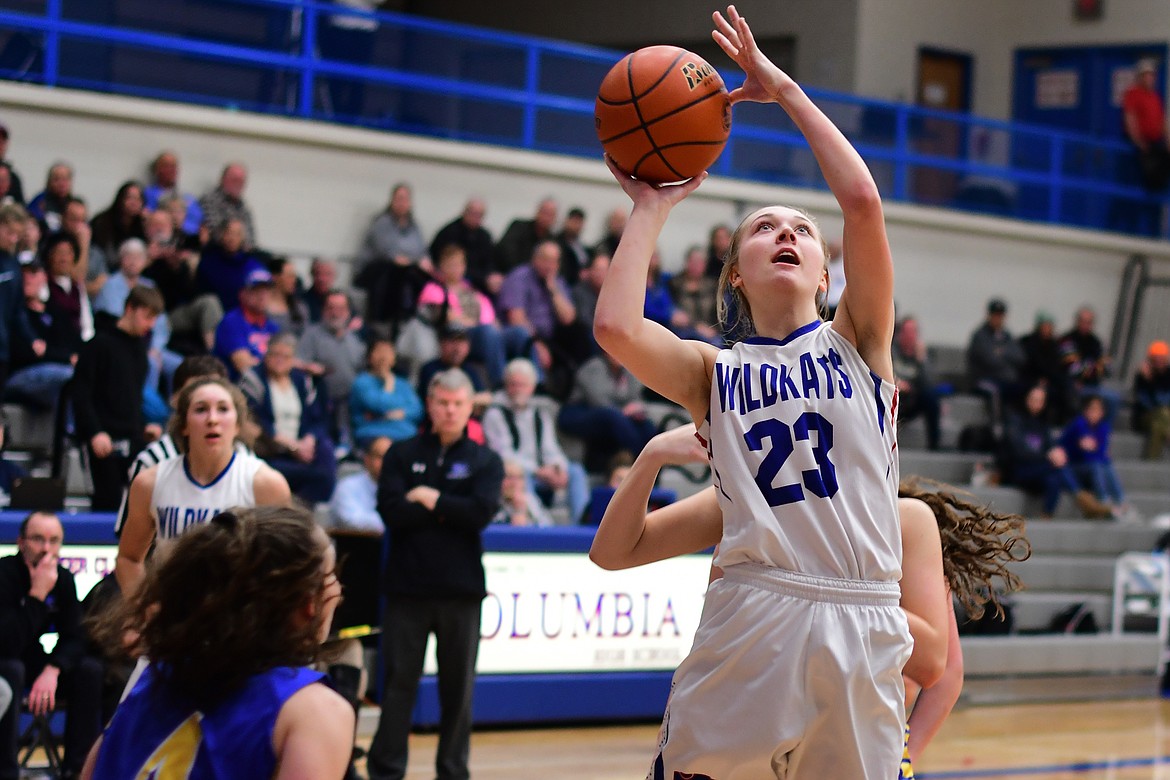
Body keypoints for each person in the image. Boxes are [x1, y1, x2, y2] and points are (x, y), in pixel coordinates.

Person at [592, 8, 909, 777]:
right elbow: (615, 327)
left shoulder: (858, 340)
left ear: (826, 270)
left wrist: (786, 90)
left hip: (865, 616)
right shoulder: (715, 372)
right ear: (736, 271)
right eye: (766, 228)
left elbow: (862, 203)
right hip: (758, 612)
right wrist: (650, 207)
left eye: (802, 229)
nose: (789, 236)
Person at [588, 423, 1030, 775]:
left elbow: (941, 669)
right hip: (737, 714)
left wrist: (904, 750)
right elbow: (612, 553)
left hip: (851, 732)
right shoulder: (748, 497)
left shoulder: (902, 520)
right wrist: (654, 454)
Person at [81, 505, 352, 780]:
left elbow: (91, 771)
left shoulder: (152, 680)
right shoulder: (313, 712)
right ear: (307, 602)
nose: (338, 590)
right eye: (331, 576)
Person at [367, 368, 503, 780]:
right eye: (442, 402)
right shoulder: (401, 453)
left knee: (457, 692)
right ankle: (386, 770)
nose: (449, 410)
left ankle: (452, 771)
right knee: (397, 687)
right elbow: (391, 511)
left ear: (469, 408)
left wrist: (430, 498)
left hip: (461, 593)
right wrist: (448, 508)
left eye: (457, 403)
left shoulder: (486, 461)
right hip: (406, 591)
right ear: (430, 405)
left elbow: (479, 514)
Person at [117, 376, 291, 597]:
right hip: (172, 616)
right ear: (183, 426)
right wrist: (143, 610)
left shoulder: (266, 484)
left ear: (238, 424)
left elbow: (285, 567)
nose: (212, 419)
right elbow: (128, 558)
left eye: (223, 409)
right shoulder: (150, 483)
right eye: (201, 410)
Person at [0, 511, 104, 780]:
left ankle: (76, 769)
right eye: (38, 539)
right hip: (6, 663)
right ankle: (6, 770)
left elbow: (77, 636)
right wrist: (37, 595)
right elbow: (6, 643)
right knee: (11, 669)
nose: (47, 548)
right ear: (21, 542)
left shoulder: (65, 579)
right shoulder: (5, 574)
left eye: (54, 541)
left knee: (89, 670)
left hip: (37, 664)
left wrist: (54, 669)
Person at [113, 355, 238, 537]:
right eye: (197, 397)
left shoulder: (251, 466)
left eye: (219, 403)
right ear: (176, 400)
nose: (211, 415)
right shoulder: (151, 461)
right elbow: (128, 542)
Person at [71, 285, 165, 511]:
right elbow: (81, 394)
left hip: (132, 439)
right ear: (130, 308)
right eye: (147, 316)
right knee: (107, 503)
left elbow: (132, 398)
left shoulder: (140, 352)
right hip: (102, 441)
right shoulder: (98, 345)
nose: (150, 325)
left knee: (143, 504)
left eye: (154, 319)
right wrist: (94, 432)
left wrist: (143, 426)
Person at [483, 357, 590, 524]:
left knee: (575, 471)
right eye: (513, 384)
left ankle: (581, 526)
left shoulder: (539, 413)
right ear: (506, 385)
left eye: (522, 385)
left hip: (542, 471)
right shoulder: (495, 414)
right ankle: (537, 526)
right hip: (519, 472)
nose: (517, 389)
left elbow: (550, 448)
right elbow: (503, 454)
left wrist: (557, 467)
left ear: (532, 387)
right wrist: (537, 471)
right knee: (519, 475)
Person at [240, 333, 337, 505]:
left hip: (301, 451)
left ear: (293, 359)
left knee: (326, 456)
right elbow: (255, 423)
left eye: (286, 356)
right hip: (271, 452)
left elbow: (317, 419)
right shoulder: (253, 380)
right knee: (318, 477)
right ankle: (292, 509)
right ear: (266, 355)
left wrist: (309, 440)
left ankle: (294, 508)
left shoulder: (302, 381)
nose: (279, 360)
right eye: (274, 355)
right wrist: (292, 446)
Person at [418, 243, 533, 387]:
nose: (456, 269)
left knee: (520, 333)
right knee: (488, 332)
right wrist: (482, 325)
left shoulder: (472, 290)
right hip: (460, 336)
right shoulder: (434, 289)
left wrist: (490, 325)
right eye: (451, 265)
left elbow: (491, 318)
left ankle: (537, 381)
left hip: (486, 332)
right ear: (442, 267)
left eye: (459, 264)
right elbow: (449, 318)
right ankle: (501, 383)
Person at [999, 384, 1109, 519]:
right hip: (1019, 468)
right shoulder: (1014, 419)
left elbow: (1050, 445)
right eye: (1034, 399)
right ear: (1026, 398)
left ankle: (1047, 515)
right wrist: (1048, 456)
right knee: (1056, 467)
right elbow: (1017, 451)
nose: (1037, 404)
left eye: (1040, 401)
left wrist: (1055, 453)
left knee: (1054, 479)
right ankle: (1083, 499)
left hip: (1040, 469)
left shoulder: (1042, 423)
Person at [557, 350, 658, 473]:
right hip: (579, 411)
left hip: (616, 413)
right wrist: (624, 411)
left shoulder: (629, 370)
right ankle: (640, 458)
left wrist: (637, 409)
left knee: (645, 425)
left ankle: (653, 466)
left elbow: (636, 397)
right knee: (612, 416)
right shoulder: (594, 367)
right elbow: (597, 399)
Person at [356, 183, 433, 325]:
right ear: (391, 200)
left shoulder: (414, 226)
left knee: (422, 276)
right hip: (376, 272)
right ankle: (384, 321)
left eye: (405, 199)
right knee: (397, 273)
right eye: (399, 199)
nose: (402, 203)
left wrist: (420, 261)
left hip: (406, 270)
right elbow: (389, 253)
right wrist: (414, 260)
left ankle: (415, 320)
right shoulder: (382, 223)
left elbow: (421, 251)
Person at [297, 289, 366, 449]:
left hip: (349, 404)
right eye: (330, 308)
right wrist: (310, 367)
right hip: (320, 404)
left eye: (340, 309)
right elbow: (295, 362)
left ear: (348, 312)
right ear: (323, 310)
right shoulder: (311, 335)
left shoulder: (354, 339)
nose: (335, 313)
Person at [1060, 393, 1130, 519]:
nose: (1095, 413)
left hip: (1090, 465)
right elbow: (1082, 454)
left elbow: (1102, 454)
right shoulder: (1078, 424)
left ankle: (1121, 501)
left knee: (1106, 466)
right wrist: (1092, 450)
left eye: (1098, 410)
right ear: (1085, 410)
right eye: (1092, 409)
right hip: (1074, 466)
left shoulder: (1103, 427)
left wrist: (1094, 449)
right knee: (1097, 465)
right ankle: (1103, 501)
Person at [350, 332, 424, 448]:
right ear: (369, 357)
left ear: (394, 358)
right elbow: (380, 406)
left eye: (388, 352)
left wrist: (402, 413)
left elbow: (417, 410)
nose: (384, 357)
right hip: (373, 432)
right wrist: (388, 383)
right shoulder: (362, 382)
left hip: (404, 433)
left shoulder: (403, 383)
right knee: (385, 448)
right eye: (379, 351)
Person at [0, 203, 44, 394]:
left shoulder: (12, 265)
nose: (13, 239)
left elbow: (18, 310)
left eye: (17, 234)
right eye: (9, 232)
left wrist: (32, 338)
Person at [967, 298, 1026, 428]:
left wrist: (1002, 352)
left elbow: (1020, 357)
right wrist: (1006, 356)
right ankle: (996, 427)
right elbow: (990, 360)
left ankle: (1021, 427)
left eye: (1001, 316)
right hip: (983, 379)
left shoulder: (1007, 335)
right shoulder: (980, 335)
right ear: (989, 315)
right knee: (994, 391)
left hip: (1005, 380)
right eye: (995, 315)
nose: (998, 319)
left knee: (1026, 389)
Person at [212, 267, 280, 380]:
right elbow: (243, 365)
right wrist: (275, 365)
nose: (263, 296)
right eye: (256, 290)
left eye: (266, 290)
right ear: (243, 294)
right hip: (236, 386)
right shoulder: (232, 322)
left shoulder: (272, 326)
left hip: (264, 385)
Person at [429, 198, 496, 297]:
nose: (475, 217)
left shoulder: (485, 236)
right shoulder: (449, 232)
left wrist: (491, 277)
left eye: (479, 215)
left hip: (479, 282)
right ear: (464, 212)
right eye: (472, 213)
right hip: (451, 280)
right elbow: (438, 260)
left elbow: (490, 262)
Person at [893, 315, 941, 450]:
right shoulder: (892, 351)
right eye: (907, 332)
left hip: (913, 397)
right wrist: (897, 381)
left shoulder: (921, 354)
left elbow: (929, 383)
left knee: (931, 397)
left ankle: (934, 446)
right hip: (896, 395)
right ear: (900, 334)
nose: (910, 336)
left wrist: (922, 360)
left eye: (913, 332)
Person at [1123, 58, 1170, 191]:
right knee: (1147, 175)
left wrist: (1168, 142)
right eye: (1147, 75)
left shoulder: (1156, 97)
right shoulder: (1133, 94)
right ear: (1140, 77)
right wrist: (1138, 141)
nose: (1150, 78)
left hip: (1156, 143)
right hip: (1142, 145)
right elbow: (1130, 118)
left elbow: (1163, 121)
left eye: (1152, 75)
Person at [142, 150, 204, 235]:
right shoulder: (148, 194)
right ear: (157, 170)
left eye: (174, 166)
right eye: (167, 166)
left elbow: (199, 220)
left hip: (190, 240)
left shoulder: (188, 197)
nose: (172, 170)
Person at [494, 197, 558, 278]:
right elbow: (504, 252)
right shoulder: (518, 227)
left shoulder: (553, 241)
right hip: (508, 274)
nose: (546, 217)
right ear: (537, 211)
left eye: (550, 214)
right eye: (544, 212)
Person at [198, 162, 257, 248]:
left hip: (243, 254)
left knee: (278, 260)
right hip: (219, 253)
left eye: (241, 181)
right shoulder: (209, 200)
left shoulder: (244, 208)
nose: (238, 184)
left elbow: (251, 239)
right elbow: (216, 233)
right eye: (235, 180)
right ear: (223, 179)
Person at [88, 180, 147, 262]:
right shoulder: (102, 222)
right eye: (130, 198)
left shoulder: (143, 223)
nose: (134, 203)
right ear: (120, 199)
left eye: (138, 199)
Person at [1133, 339, 1170, 460]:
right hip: (1145, 416)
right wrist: (1149, 380)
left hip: (1162, 419)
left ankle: (1151, 462)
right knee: (1162, 413)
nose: (1159, 362)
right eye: (1155, 359)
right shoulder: (1142, 376)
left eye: (1161, 359)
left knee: (1157, 426)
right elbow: (1146, 403)